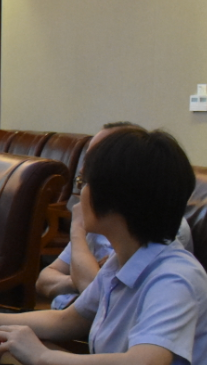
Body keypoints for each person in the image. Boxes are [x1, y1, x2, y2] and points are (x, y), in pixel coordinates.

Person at [0, 127, 207, 365]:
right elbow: (67, 320)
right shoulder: (120, 262)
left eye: (85, 182)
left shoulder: (175, 277)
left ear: (115, 199)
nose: (79, 194)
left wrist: (43, 357)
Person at [37, 122, 194, 309]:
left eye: (97, 158)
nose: (84, 168)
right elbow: (45, 281)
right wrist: (76, 280)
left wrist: (77, 230)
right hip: (71, 314)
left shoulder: (162, 232)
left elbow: (99, 296)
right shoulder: (103, 226)